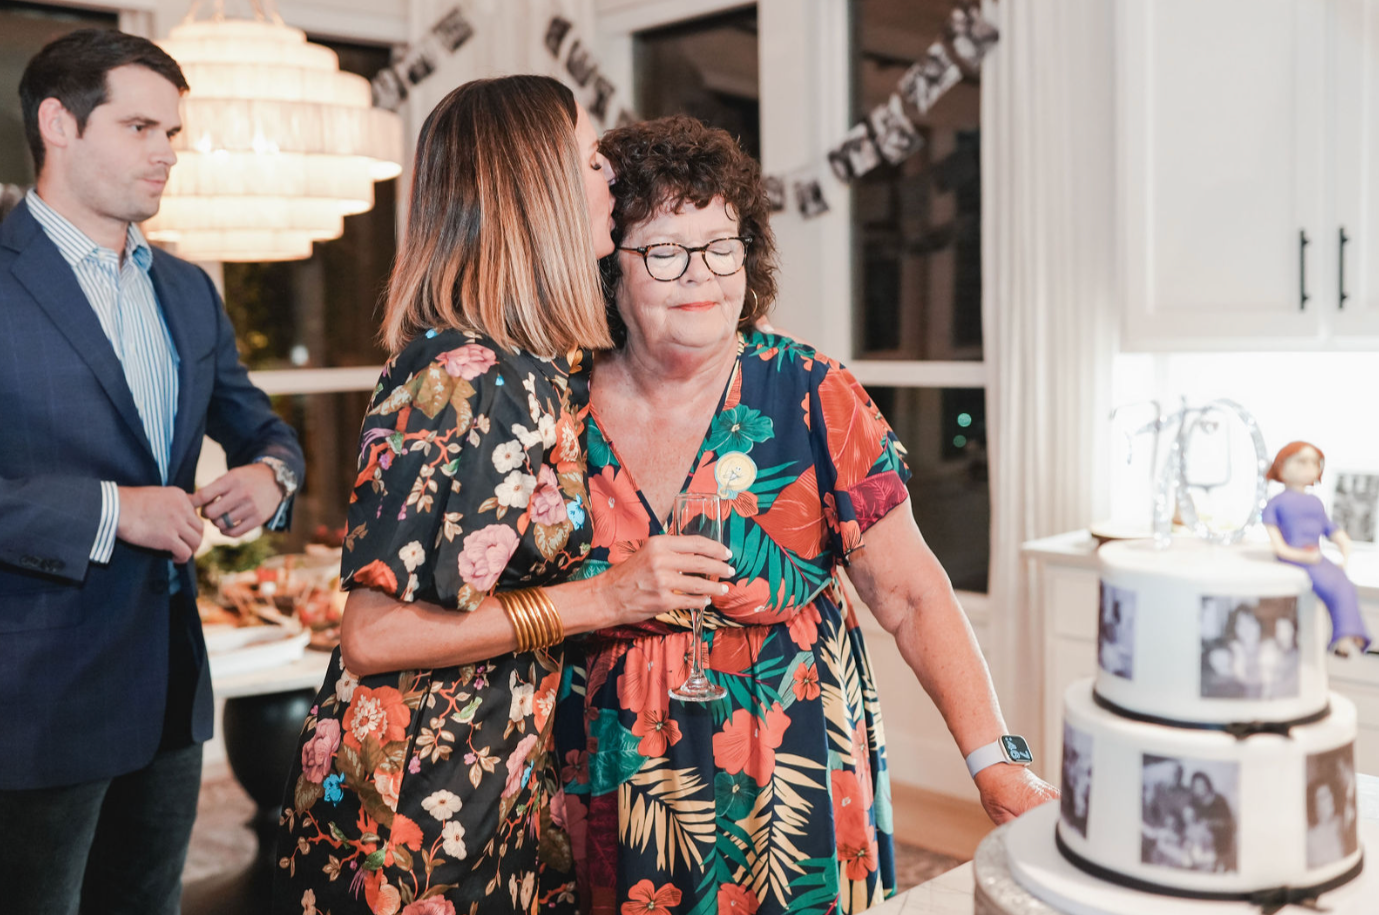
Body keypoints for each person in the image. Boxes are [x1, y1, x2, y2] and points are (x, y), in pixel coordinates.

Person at [551, 115, 1054, 914]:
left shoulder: (811, 392)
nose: (702, 276)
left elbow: (913, 595)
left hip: (788, 775)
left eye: (722, 245)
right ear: (609, 266)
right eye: (665, 251)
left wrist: (995, 760)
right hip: (604, 773)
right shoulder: (554, 405)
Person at [269, 77, 733, 914]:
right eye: (591, 161)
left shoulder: (535, 372)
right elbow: (370, 636)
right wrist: (604, 597)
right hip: (405, 814)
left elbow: (501, 577)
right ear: (535, 189)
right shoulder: (454, 370)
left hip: (488, 786)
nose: (609, 181)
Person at [0, 29, 305, 915]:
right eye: (141, 128)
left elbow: (263, 428)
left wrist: (270, 478)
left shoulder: (186, 288)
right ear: (59, 123)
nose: (167, 154)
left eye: (173, 132)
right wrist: (109, 511)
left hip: (170, 693)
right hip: (31, 703)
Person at [1263, 441, 1370, 655]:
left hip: (1315, 558)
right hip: (1296, 558)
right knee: (1334, 588)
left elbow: (1332, 530)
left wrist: (1345, 550)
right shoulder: (1276, 503)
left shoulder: (1315, 503)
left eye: (1314, 462)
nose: (1309, 467)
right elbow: (1279, 546)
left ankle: (1345, 637)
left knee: (1345, 585)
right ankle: (1345, 636)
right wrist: (1300, 555)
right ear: (1282, 465)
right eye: (1301, 461)